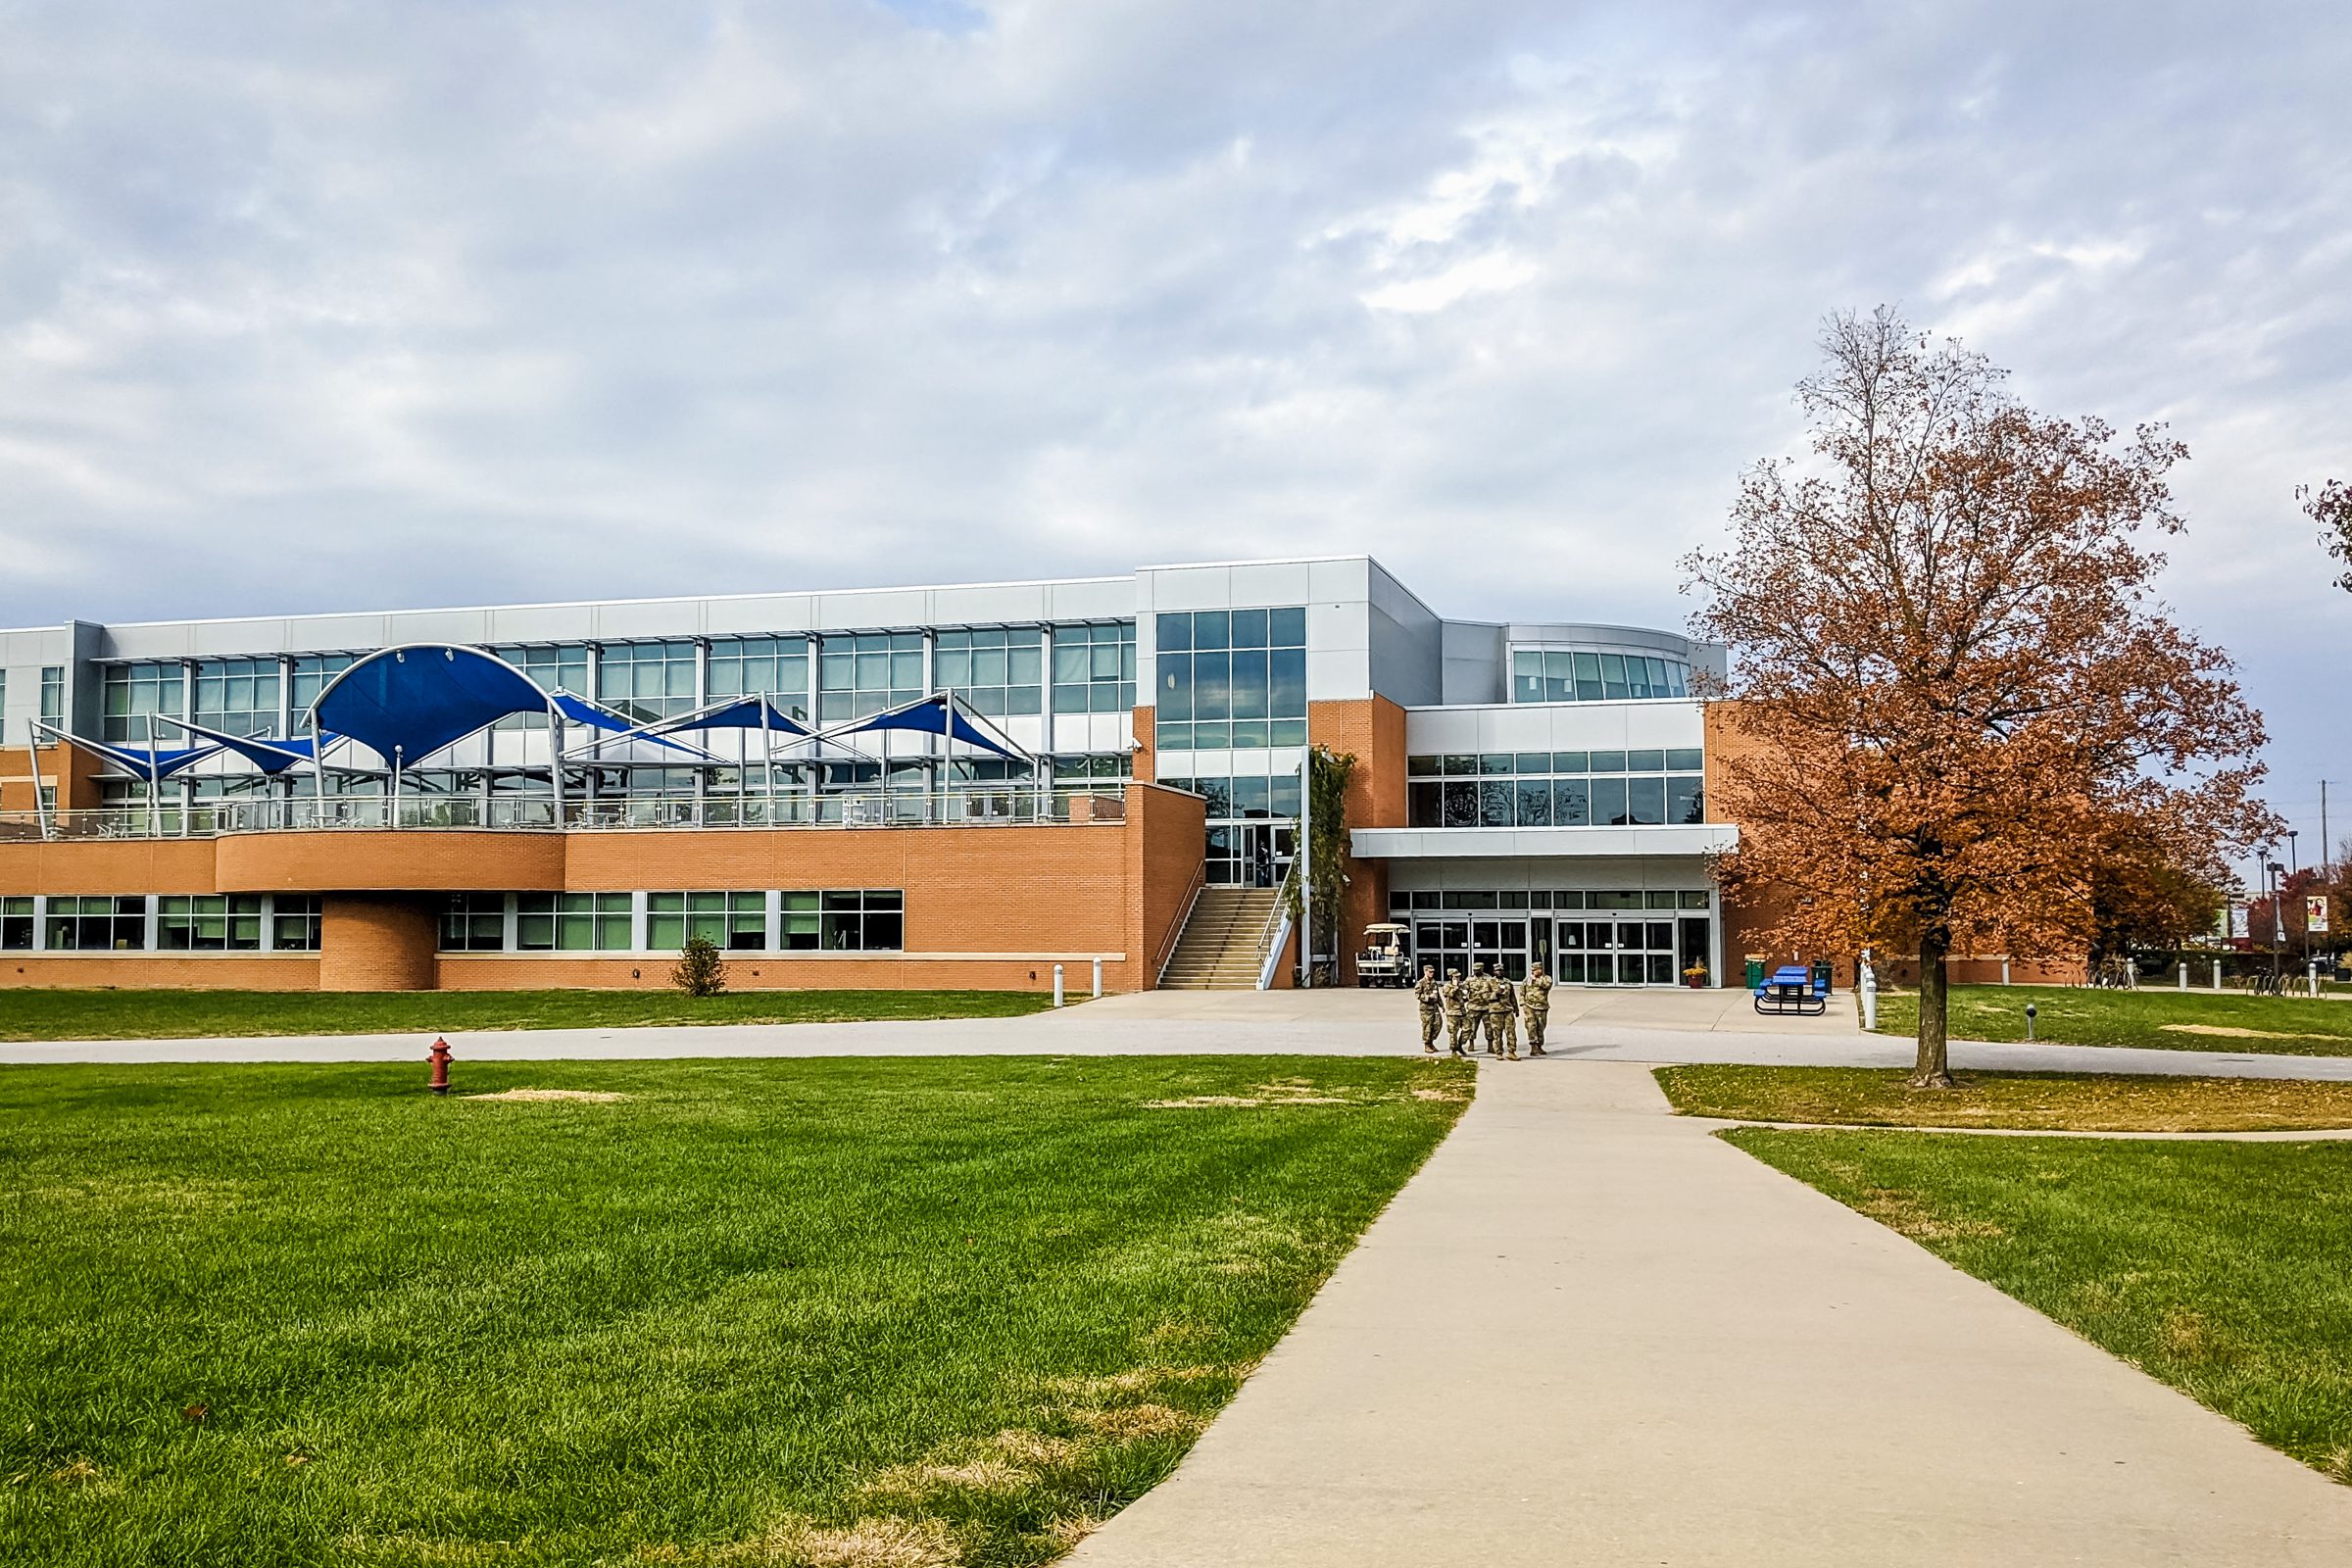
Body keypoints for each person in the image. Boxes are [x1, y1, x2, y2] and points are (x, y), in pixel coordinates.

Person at [1522, 962, 1554, 1056]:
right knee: (1531, 1026)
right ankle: (1533, 1047)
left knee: (1541, 1026)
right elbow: (1522, 991)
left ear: (1540, 970)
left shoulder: (1546, 978)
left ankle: (1539, 1046)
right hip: (1529, 1006)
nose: (1533, 972)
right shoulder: (1527, 979)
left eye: (1535, 970)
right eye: (1532, 970)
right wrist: (1522, 1003)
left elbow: (1547, 986)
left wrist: (1536, 980)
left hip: (1542, 1006)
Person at [1413, 962, 1444, 1054]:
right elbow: (1417, 995)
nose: (1432, 974)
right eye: (1430, 972)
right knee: (1427, 1027)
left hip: (1434, 1007)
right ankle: (1427, 1044)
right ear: (1425, 972)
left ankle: (1431, 1041)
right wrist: (1427, 997)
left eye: (1433, 972)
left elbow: (1437, 995)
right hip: (1426, 1009)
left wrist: (1442, 1005)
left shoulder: (1434, 982)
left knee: (1438, 1024)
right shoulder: (1421, 983)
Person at [1441, 966, 1470, 1055]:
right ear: (1450, 977)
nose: (1458, 979)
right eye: (1455, 977)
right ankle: (1453, 1049)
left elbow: (1464, 995)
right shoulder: (1447, 986)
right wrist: (1455, 986)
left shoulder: (1461, 986)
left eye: (1458, 977)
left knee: (1468, 1028)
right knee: (1453, 1032)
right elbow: (1449, 995)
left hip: (1462, 1012)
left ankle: (1459, 1045)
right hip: (1452, 1013)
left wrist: (1465, 998)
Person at [1491, 969, 1520, 1059]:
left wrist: (1516, 1008)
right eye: (1497, 970)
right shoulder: (1489, 982)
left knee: (1511, 1032)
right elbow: (1483, 996)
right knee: (1497, 1033)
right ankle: (1498, 1052)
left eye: (1500, 970)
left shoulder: (1508, 982)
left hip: (1508, 1010)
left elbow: (1512, 996)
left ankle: (1512, 1052)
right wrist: (1495, 993)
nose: (1499, 972)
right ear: (1494, 972)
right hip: (1495, 1011)